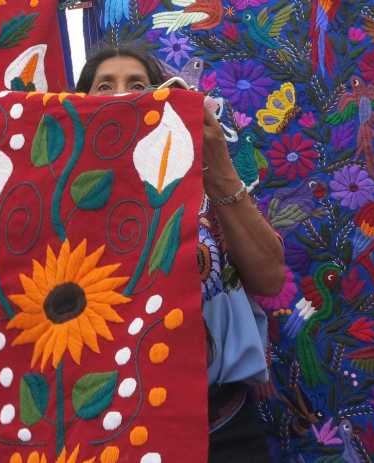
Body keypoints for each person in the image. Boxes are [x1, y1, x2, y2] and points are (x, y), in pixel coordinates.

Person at [75, 45, 286, 462]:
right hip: (108, 431)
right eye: (105, 86)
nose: (122, 95)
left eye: (138, 85)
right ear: (79, 108)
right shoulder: (64, 201)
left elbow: (270, 278)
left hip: (221, 432)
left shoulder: (200, 188)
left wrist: (217, 169)